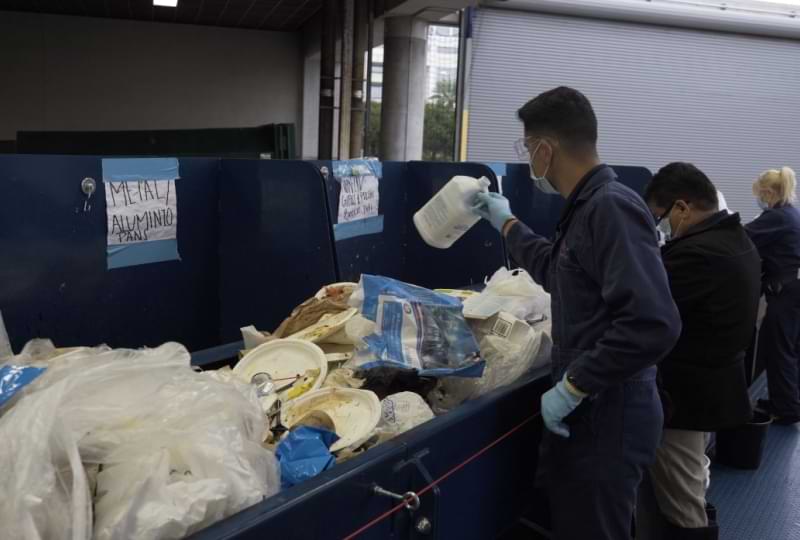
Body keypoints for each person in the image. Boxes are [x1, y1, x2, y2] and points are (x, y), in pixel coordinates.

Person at [472, 87, 681, 540]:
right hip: (593, 416)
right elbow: (557, 269)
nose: (528, 158)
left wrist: (574, 384)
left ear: (545, 149)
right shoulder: (587, 206)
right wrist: (507, 224)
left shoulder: (611, 208)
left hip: (609, 417)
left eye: (528, 148)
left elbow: (654, 323)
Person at [639, 163, 760, 540]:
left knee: (683, 504)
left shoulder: (697, 254)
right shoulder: (737, 241)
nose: (663, 228)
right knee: (692, 482)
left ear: (682, 208)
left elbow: (644, 310)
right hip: (712, 389)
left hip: (686, 398)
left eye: (661, 218)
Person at [746, 166, 800, 425]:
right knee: (787, 347)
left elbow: (743, 237)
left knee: (778, 348)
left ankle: (787, 409)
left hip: (785, 294)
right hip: (793, 291)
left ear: (769, 192)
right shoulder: (792, 214)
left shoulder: (777, 217)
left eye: (761, 194)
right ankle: (785, 400)